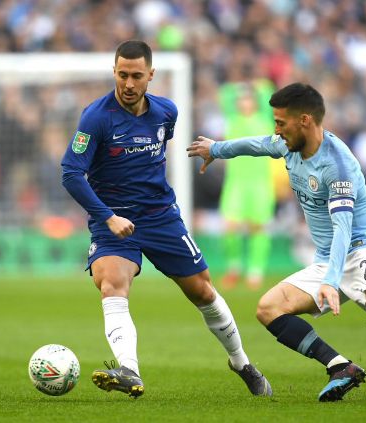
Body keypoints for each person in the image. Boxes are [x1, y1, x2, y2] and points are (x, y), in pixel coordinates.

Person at [188, 82, 366, 403]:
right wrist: (216, 149)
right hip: (328, 256)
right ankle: (340, 367)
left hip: (361, 247)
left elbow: (343, 227)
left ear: (305, 121)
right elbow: (257, 145)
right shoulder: (289, 144)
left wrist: (330, 280)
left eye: (281, 123)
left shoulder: (337, 166)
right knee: (269, 308)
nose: (276, 130)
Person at [60, 40, 271, 399]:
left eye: (136, 76)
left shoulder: (166, 112)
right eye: (122, 75)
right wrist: (108, 217)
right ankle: (129, 369)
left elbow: (156, 154)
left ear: (150, 75)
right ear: (114, 72)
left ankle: (242, 363)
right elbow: (70, 173)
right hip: (114, 221)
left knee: (203, 291)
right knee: (111, 283)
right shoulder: (96, 117)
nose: (128, 84)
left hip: (161, 218)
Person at [217, 82, 277, 290]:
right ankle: (233, 268)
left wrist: (255, 85)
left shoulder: (265, 121)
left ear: (255, 101)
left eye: (248, 98)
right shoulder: (232, 120)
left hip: (260, 183)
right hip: (236, 183)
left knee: (257, 228)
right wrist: (241, 86)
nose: (244, 101)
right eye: (241, 98)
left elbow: (268, 93)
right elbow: (224, 93)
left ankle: (255, 271)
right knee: (230, 226)